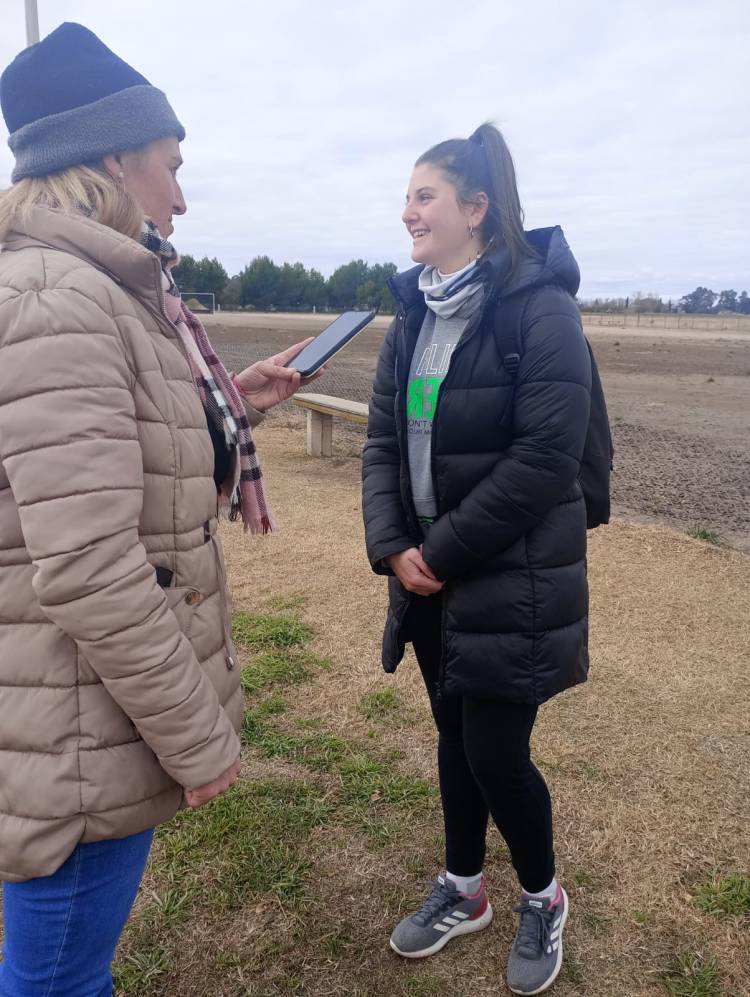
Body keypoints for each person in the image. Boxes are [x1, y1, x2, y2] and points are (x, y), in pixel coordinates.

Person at [0, 22, 316, 995]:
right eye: (170, 167)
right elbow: (91, 564)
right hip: (75, 742)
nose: (180, 198)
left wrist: (232, 410)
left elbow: (108, 467)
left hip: (64, 716)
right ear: (109, 161)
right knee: (56, 978)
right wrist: (199, 739)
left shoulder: (86, 290)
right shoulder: (61, 298)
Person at [362, 122, 592, 995]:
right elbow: (382, 438)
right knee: (453, 738)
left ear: (476, 208)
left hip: (507, 575)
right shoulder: (414, 307)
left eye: (425, 195)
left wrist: (440, 551)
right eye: (409, 196)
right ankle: (466, 887)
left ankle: (543, 894)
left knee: (497, 749)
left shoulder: (540, 309)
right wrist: (392, 545)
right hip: (424, 573)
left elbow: (544, 461)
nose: (408, 211)